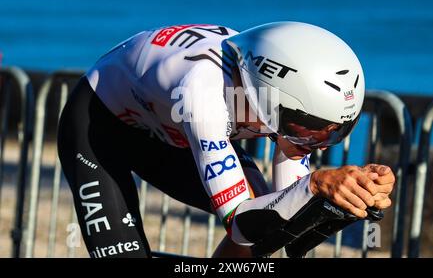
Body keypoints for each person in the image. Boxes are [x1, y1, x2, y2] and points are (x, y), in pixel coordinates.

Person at [57, 22, 395, 258]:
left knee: (266, 227)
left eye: (333, 132)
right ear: (264, 95)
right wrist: (318, 185)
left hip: (170, 133)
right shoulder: (203, 94)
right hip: (99, 126)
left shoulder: (274, 95)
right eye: (311, 129)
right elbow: (240, 224)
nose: (318, 144)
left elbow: (284, 223)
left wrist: (354, 196)